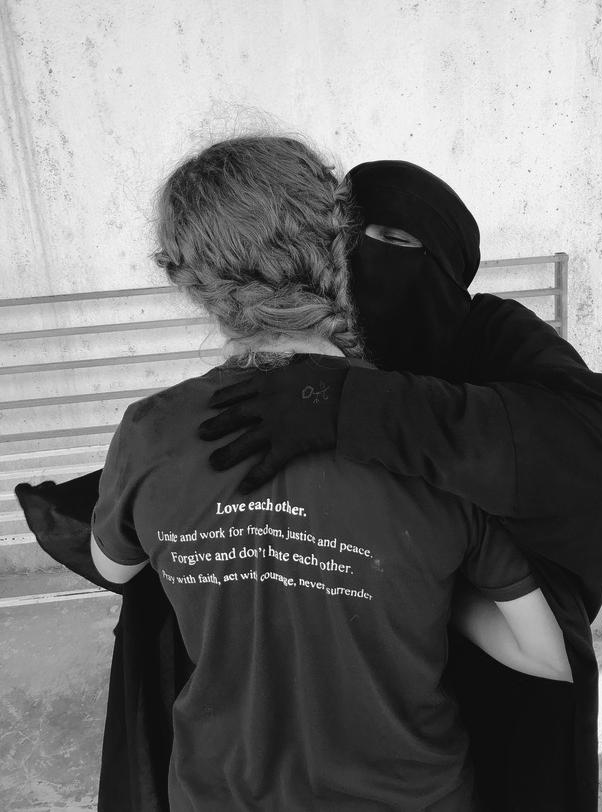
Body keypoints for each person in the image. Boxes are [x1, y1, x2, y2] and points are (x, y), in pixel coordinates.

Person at [89, 135, 572, 811]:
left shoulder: (150, 434)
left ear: (186, 279)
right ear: (340, 244)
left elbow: (113, 570)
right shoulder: (425, 432)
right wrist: (425, 592)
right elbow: (545, 654)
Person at [196, 158, 602, 810]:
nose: (366, 257)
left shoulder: (492, 333)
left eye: (396, 240)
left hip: (498, 643)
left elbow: (591, 443)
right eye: (348, 237)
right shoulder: (330, 345)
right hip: (367, 650)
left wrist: (352, 408)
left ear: (447, 262)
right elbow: (238, 440)